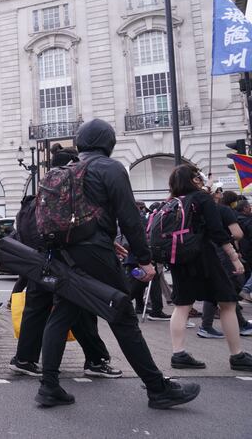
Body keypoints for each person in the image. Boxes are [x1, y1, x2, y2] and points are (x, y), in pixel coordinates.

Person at [36, 119, 199, 409]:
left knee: (62, 313)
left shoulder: (69, 170)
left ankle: (49, 385)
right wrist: (145, 259)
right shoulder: (110, 168)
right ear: (108, 143)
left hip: (66, 253)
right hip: (96, 255)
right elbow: (129, 217)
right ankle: (157, 388)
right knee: (123, 315)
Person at [10, 145, 120, 380]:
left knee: (36, 310)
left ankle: (25, 359)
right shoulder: (70, 196)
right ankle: (96, 359)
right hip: (66, 262)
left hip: (39, 262)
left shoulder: (34, 199)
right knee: (80, 311)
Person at [165, 166, 252, 371]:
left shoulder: (172, 202)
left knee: (182, 305)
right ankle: (237, 355)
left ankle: (178, 354)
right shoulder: (202, 199)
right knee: (228, 302)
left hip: (179, 257)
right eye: (199, 176)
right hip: (203, 256)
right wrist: (234, 257)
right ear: (194, 180)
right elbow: (216, 231)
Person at [197, 191, 252, 338]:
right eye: (218, 191)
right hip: (223, 251)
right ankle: (207, 326)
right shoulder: (223, 210)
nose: (220, 193)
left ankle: (239, 323)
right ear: (215, 195)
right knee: (225, 286)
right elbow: (238, 234)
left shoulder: (197, 209)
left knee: (221, 287)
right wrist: (228, 242)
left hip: (205, 252)